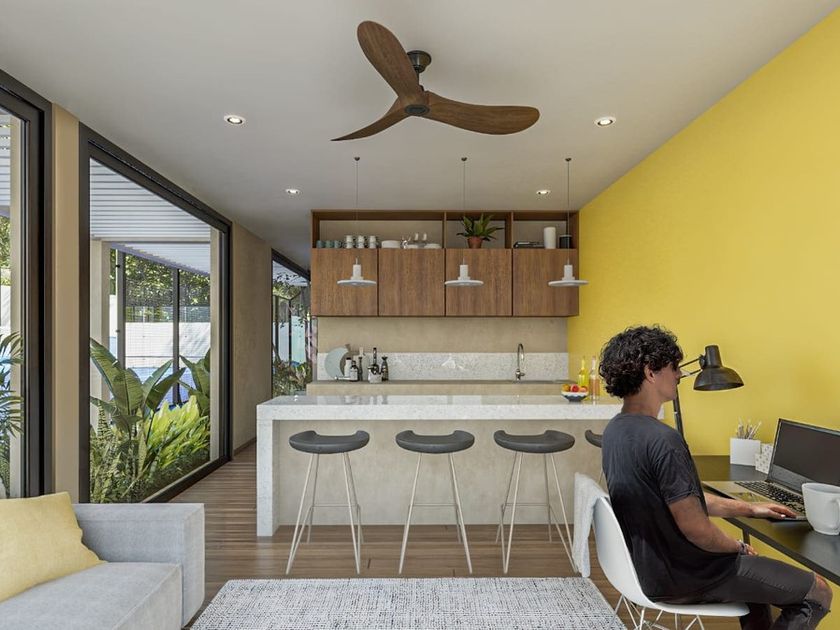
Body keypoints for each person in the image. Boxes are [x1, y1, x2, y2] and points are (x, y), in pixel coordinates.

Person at [598, 325, 832, 629]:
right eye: (674, 367)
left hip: (652, 570)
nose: (680, 375)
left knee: (756, 583)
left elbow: (681, 500)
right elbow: (696, 528)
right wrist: (737, 547)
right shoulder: (664, 440)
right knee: (818, 592)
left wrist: (750, 508)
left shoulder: (616, 430)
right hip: (688, 575)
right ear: (650, 372)